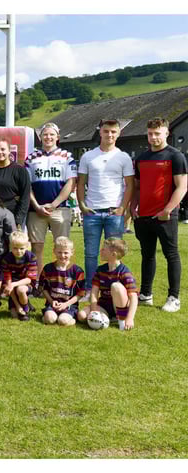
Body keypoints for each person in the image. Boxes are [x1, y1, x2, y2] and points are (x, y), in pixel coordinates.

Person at [131, 117, 187, 313]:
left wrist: (168, 210)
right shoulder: (141, 158)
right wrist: (133, 206)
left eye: (157, 133)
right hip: (143, 215)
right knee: (147, 255)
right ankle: (146, 294)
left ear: (166, 133)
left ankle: (174, 297)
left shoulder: (176, 156)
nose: (153, 137)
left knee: (171, 255)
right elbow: (137, 187)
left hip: (165, 215)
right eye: (150, 134)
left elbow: (182, 187)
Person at [76, 119, 134, 297]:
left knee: (114, 253)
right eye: (106, 131)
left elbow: (130, 185)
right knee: (91, 253)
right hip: (92, 212)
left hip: (113, 212)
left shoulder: (123, 157)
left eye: (113, 132)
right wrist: (82, 205)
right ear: (100, 132)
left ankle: (111, 288)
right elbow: (81, 183)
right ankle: (89, 289)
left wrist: (122, 208)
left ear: (118, 134)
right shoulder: (88, 156)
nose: (109, 135)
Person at [26, 122, 78, 264]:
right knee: (36, 248)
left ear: (57, 137)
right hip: (36, 211)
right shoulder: (31, 158)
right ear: (40, 137)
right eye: (45, 134)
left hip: (60, 209)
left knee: (62, 248)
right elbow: (27, 185)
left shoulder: (68, 156)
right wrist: (37, 206)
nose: (48, 137)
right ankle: (37, 282)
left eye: (51, 134)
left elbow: (71, 182)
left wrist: (54, 204)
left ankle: (61, 281)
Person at [77, 238, 139, 330]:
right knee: (81, 316)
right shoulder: (100, 270)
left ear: (113, 254)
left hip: (121, 306)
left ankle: (122, 321)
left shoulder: (124, 272)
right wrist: (94, 311)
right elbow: (94, 292)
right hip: (105, 306)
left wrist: (130, 318)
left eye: (103, 249)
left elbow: (133, 297)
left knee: (116, 286)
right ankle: (109, 318)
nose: (100, 251)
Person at [0, 137, 30, 227]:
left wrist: (18, 220)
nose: (0, 152)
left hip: (13, 216)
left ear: (9, 151)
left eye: (3, 149)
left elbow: (25, 197)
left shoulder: (20, 170)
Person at [39, 236, 85, 327]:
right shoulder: (48, 268)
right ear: (54, 251)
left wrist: (66, 304)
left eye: (66, 253)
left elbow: (80, 293)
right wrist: (51, 301)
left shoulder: (77, 271)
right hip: (52, 304)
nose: (62, 255)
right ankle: (47, 316)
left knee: (62, 321)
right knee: (50, 319)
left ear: (72, 252)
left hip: (69, 305)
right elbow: (43, 288)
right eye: (59, 252)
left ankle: (72, 319)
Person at [0, 231, 38, 321]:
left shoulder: (31, 257)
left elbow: (29, 279)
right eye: (15, 248)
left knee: (21, 289)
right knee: (14, 315)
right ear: (10, 247)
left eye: (21, 248)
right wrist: (17, 306)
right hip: (12, 284)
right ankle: (20, 305)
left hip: (26, 283)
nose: (18, 251)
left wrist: (13, 284)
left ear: (27, 246)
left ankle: (25, 309)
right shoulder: (6, 259)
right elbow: (8, 279)